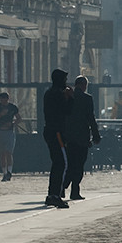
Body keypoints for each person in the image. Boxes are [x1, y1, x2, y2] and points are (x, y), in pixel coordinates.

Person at [63, 75, 100, 200]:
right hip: (82, 137)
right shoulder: (87, 99)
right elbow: (91, 118)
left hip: (68, 136)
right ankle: (74, 190)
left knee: (70, 163)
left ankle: (63, 186)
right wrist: (96, 135)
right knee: (79, 164)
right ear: (84, 85)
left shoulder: (67, 97)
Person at [41, 69, 71, 209]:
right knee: (61, 163)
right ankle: (55, 195)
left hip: (51, 130)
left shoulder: (49, 93)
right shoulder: (57, 94)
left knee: (57, 163)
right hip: (56, 131)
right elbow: (67, 111)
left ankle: (52, 194)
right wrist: (69, 98)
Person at [0, 91, 21, 182]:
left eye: (5, 99)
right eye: (2, 99)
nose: (3, 101)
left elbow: (19, 118)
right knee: (2, 153)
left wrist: (13, 124)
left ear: (8, 99)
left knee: (9, 152)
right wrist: (0, 115)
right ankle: (4, 172)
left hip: (9, 132)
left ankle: (9, 172)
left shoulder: (13, 107)